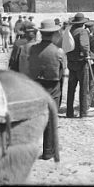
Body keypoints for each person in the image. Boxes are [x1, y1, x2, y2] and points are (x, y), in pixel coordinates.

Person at [28, 19, 65, 160]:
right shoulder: (59, 51)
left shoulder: (32, 49)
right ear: (54, 33)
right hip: (52, 86)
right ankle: (48, 150)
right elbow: (62, 72)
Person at [66, 12, 92, 118]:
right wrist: (87, 55)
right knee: (83, 88)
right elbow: (84, 45)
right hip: (81, 62)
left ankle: (69, 112)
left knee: (71, 88)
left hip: (71, 62)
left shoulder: (69, 31)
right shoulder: (83, 31)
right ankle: (83, 112)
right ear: (83, 23)